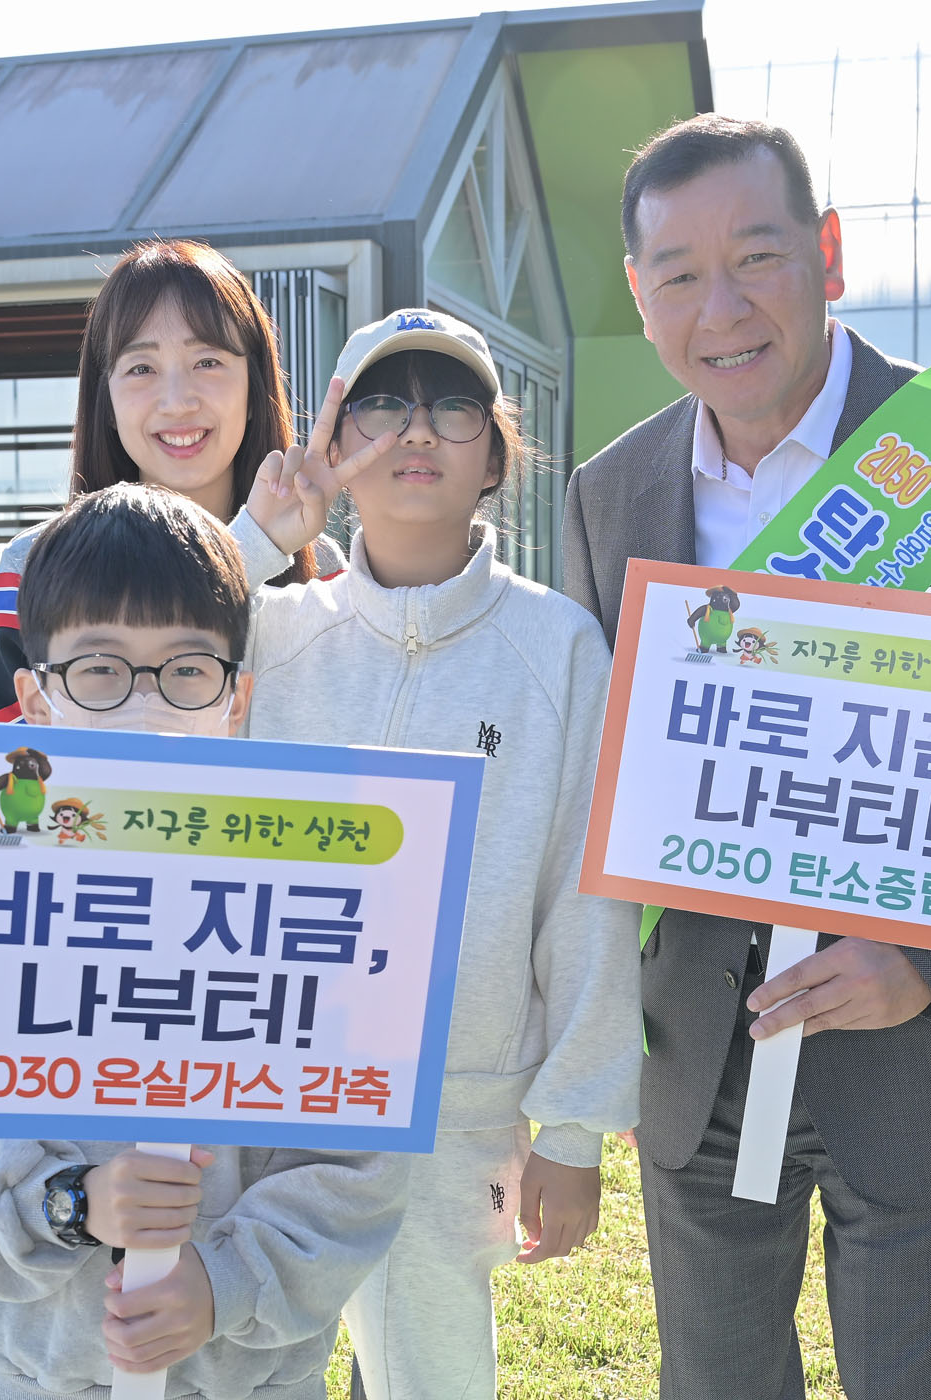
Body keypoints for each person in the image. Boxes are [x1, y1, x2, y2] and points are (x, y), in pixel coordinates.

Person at [560, 115, 931, 1399]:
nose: (722, 309)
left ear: (827, 251)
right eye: (680, 274)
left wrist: (928, 957)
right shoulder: (611, 494)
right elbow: (595, 770)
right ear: (640, 296)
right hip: (701, 1043)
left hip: (919, 1049)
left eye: (757, 257)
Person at [0, 482, 410, 1400]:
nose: (146, 707)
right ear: (35, 700)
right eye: (100, 670)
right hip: (42, 1378)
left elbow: (359, 1168)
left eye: (187, 669)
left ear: (236, 698)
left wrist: (223, 1281)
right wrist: (72, 1203)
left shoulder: (318, 901)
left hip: (254, 1383)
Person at [239, 308, 642, 1400]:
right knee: (246, 1367)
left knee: (432, 1378)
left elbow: (588, 895)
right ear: (332, 446)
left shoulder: (559, 646)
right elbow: (136, 687)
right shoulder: (270, 633)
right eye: (381, 404)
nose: (416, 429)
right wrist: (262, 536)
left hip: (457, 1113)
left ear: (497, 455)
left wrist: (574, 1129)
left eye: (453, 406)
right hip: (264, 1093)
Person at [0, 238, 345, 724]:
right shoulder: (29, 567)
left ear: (254, 387)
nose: (177, 401)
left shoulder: (322, 569)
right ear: (107, 403)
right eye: (141, 368)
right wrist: (254, 548)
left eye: (208, 362)